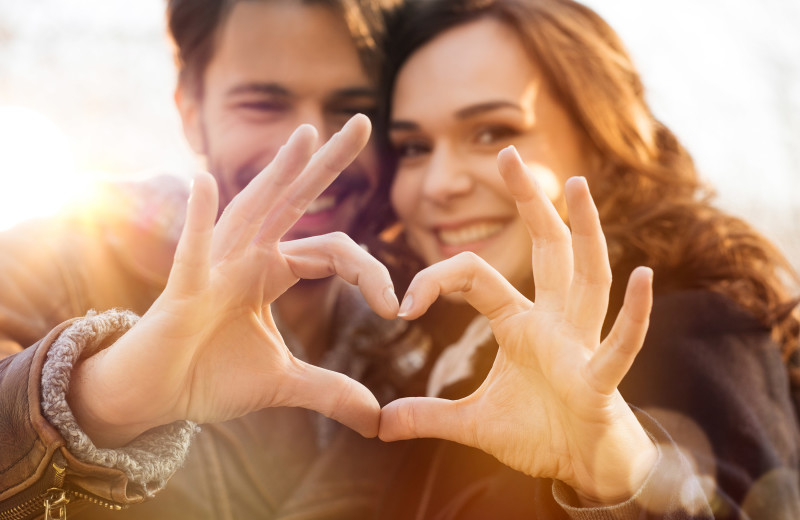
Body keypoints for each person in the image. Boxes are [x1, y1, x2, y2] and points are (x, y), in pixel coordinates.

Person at [354, 0, 800, 517]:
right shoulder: (441, 355)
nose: (438, 184)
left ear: (599, 139)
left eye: (492, 132)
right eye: (413, 147)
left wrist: (621, 486)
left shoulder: (684, 333)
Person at [0, 0, 406, 518]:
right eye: (263, 104)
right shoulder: (49, 260)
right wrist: (97, 401)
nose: (310, 146)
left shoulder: (419, 328)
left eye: (351, 111)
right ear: (191, 113)